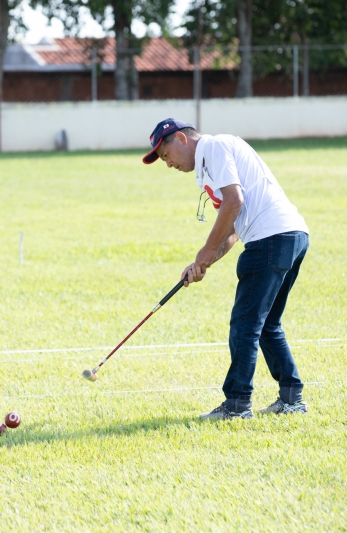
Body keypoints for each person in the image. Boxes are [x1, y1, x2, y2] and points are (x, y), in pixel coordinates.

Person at [142, 118, 310, 419]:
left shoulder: (215, 147)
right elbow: (232, 229)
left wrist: (205, 250)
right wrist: (202, 263)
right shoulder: (212, 160)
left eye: (166, 155)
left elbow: (234, 201)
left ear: (181, 139)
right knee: (267, 324)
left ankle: (237, 405)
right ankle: (291, 399)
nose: (167, 164)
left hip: (270, 239)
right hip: (292, 236)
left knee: (245, 326)